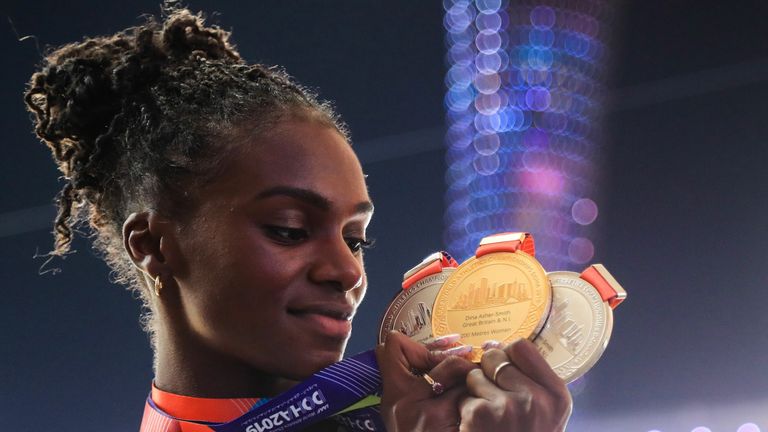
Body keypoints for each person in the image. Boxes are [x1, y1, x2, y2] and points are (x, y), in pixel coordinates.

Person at [24, 6, 571, 431]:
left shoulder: (397, 408)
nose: (347, 272)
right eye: (289, 229)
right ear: (154, 245)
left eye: (355, 238)